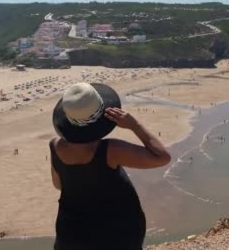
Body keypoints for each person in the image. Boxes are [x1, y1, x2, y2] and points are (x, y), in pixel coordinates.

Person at [49, 83, 171, 250]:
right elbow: (162, 157)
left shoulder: (55, 146)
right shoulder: (110, 150)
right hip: (115, 233)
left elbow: (58, 185)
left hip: (71, 232)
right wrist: (134, 125)